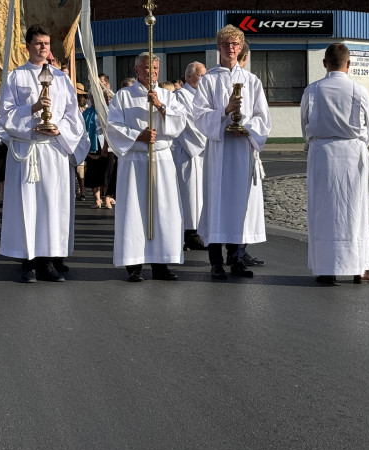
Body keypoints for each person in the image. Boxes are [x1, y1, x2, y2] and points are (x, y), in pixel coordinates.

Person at [0, 24, 89, 283]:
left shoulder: (61, 79)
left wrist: (59, 130)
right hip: (28, 150)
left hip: (53, 150)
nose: (44, 48)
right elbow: (5, 115)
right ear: (27, 46)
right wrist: (33, 110)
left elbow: (74, 117)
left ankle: (49, 260)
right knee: (28, 205)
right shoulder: (16, 77)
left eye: (47, 43)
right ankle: (28, 261)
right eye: (38, 43)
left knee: (52, 205)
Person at [193, 25, 271, 279]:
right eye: (226, 44)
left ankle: (237, 258)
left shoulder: (252, 81)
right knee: (217, 202)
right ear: (218, 47)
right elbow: (199, 115)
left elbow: (263, 117)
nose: (230, 48)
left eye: (235, 44)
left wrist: (247, 129)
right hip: (219, 151)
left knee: (241, 203)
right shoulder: (209, 80)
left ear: (241, 48)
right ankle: (216, 261)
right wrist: (225, 112)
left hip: (241, 151)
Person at [300, 42, 369, 285]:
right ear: (349, 64)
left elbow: (305, 124)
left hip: (322, 153)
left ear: (325, 63)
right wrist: (359, 142)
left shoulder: (312, 91)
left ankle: (325, 268)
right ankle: (359, 268)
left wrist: (315, 140)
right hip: (352, 153)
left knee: (322, 211)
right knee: (356, 210)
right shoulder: (359, 90)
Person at [106, 52, 185, 282]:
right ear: (136, 70)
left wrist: (160, 106)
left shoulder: (167, 96)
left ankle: (162, 263)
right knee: (134, 210)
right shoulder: (123, 96)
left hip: (161, 159)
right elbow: (113, 127)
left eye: (156, 69)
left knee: (163, 210)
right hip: (135, 159)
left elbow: (179, 123)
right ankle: (134, 265)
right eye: (148, 69)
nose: (153, 73)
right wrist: (137, 136)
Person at [172, 61, 208, 251]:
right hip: (188, 150)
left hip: (202, 153)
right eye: (201, 75)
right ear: (188, 77)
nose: (204, 79)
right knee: (189, 193)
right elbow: (188, 124)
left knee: (199, 193)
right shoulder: (181, 95)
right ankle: (189, 233)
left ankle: (198, 230)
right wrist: (209, 138)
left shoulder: (201, 97)